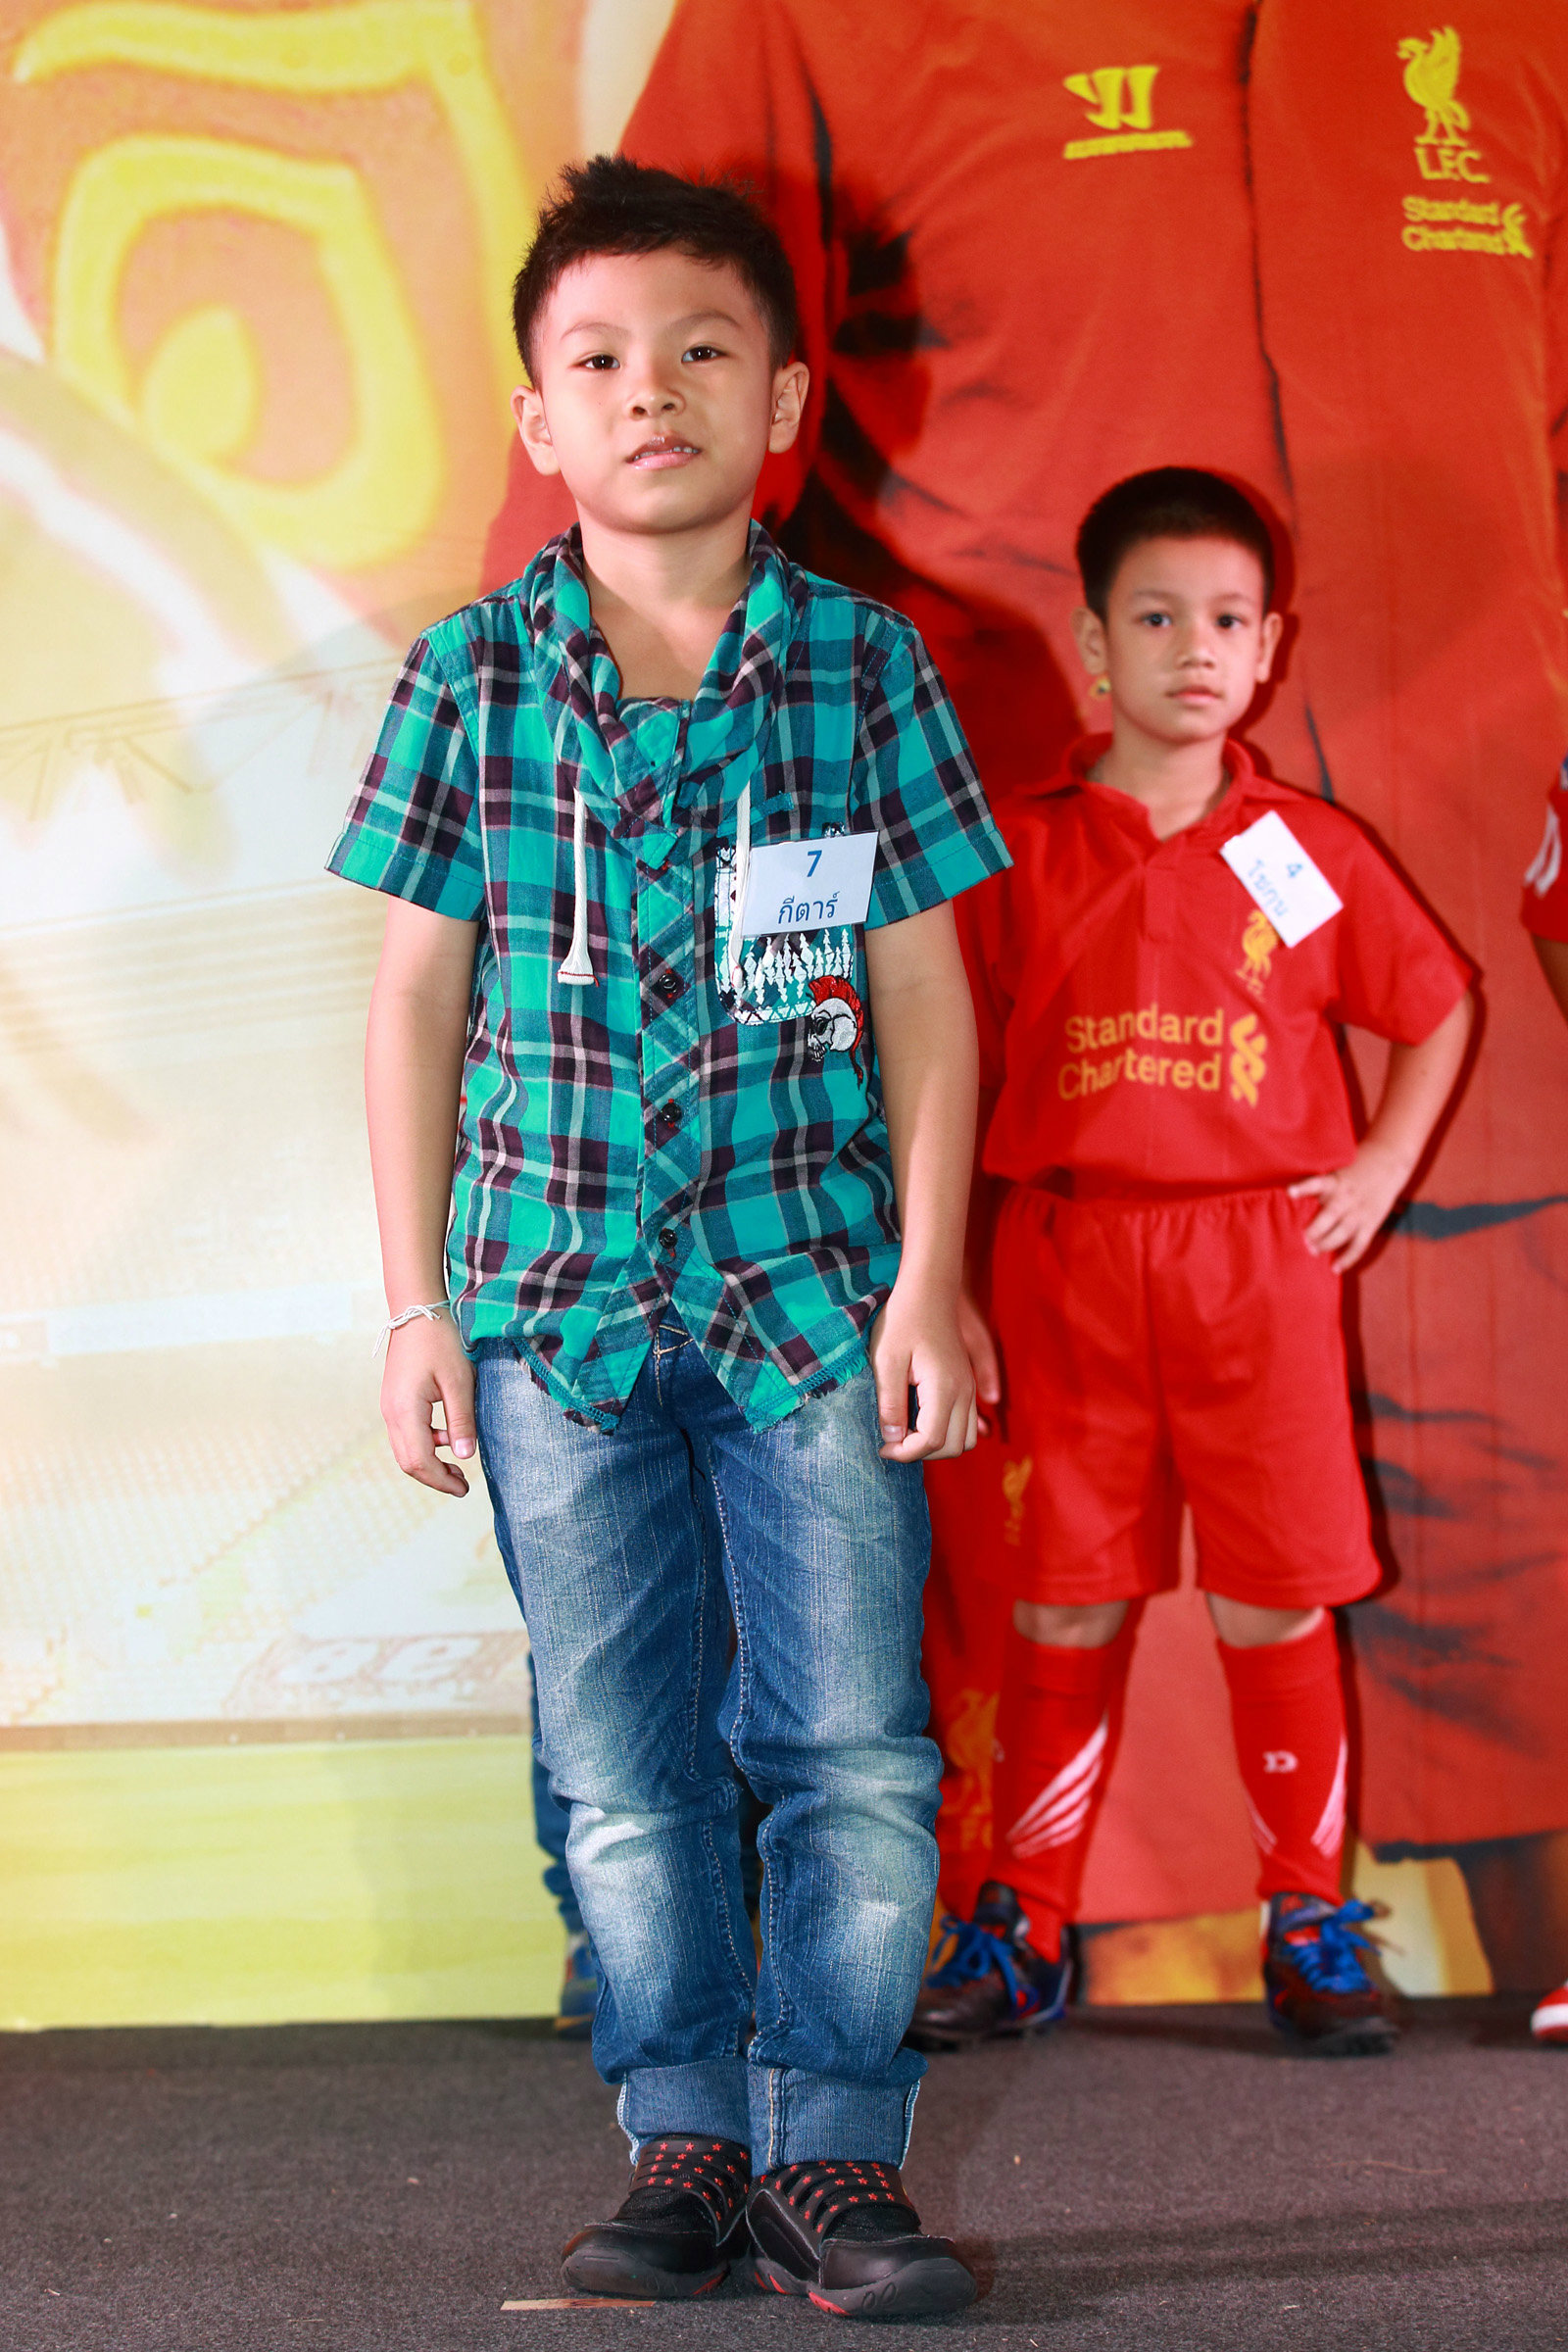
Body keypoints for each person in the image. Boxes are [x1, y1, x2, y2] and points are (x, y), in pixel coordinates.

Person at [521, 0, 1568, 2008]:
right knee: (1021, 1623)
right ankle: (902, 1951)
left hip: (1448, 1127)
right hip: (1015, 1106)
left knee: (1464, 1669)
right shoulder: (827, 29)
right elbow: (651, 418)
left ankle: (1321, 1940)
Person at [328, 156, 1009, 2316]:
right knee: (618, 1762)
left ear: (784, 399)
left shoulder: (865, 671)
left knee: (850, 1748)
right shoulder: (468, 678)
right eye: (602, 359)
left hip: (813, 1300)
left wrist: (928, 1276)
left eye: (703, 350)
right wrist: (415, 1304)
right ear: (539, 420)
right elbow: (413, 1000)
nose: (654, 391)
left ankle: (837, 2152)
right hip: (548, 1312)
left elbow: (925, 993)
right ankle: (687, 2138)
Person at [906, 469, 1472, 2058]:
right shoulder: (1016, 848)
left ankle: (1306, 1919)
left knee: (1274, 1603)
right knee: (1064, 1604)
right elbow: (941, 1055)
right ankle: (1024, 1925)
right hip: (1067, 1260)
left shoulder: (1303, 850)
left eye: (1227, 619)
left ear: (1270, 646)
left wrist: (1379, 1168)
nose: (1196, 648)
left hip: (1258, 1270)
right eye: (1156, 618)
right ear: (1096, 646)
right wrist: (944, 1272)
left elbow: (1435, 1006)